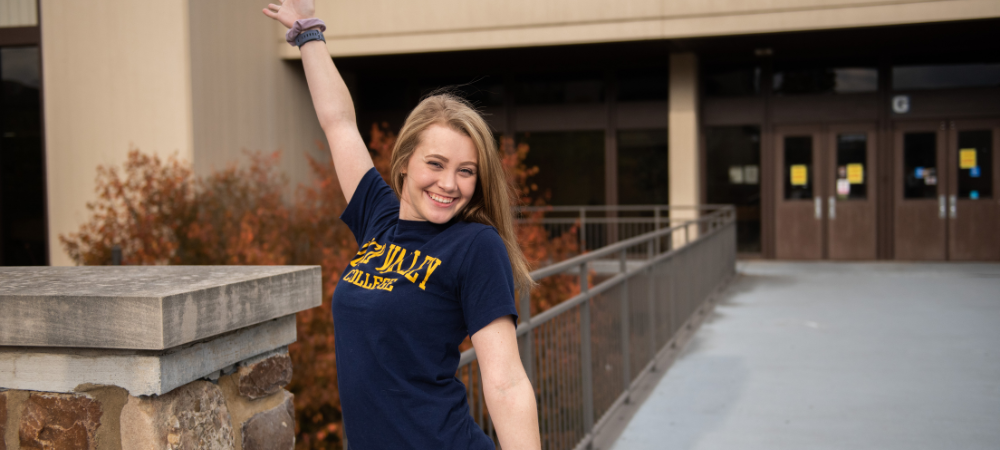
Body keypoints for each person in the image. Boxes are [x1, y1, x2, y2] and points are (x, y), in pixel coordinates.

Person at [263, 1, 541, 448]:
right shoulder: (379, 216)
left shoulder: (475, 246)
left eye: (466, 171)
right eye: (436, 163)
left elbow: (507, 382)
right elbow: (339, 125)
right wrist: (307, 33)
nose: (449, 184)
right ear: (406, 162)